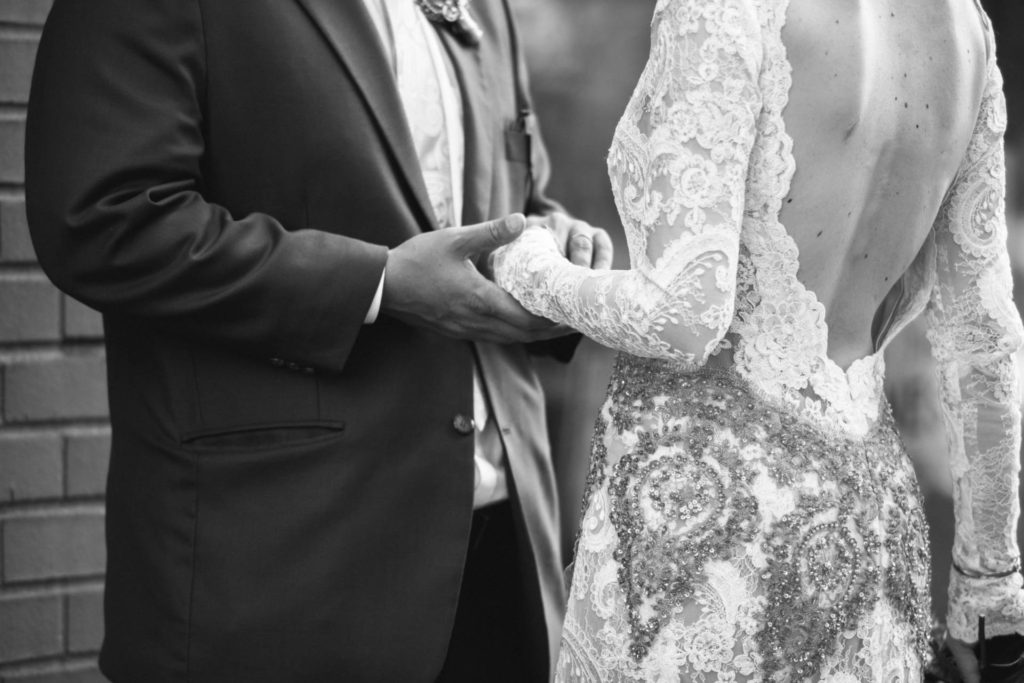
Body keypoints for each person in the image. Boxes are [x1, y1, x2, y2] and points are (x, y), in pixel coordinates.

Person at [25, 1, 612, 681]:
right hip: (285, 571)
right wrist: (380, 284)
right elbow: (103, 221)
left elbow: (509, 201)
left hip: (506, 560)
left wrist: (552, 255)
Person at [493, 0, 1024, 680]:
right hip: (866, 530)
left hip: (705, 528)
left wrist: (529, 266)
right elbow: (984, 341)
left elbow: (682, 316)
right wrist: (988, 589)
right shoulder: (966, 32)